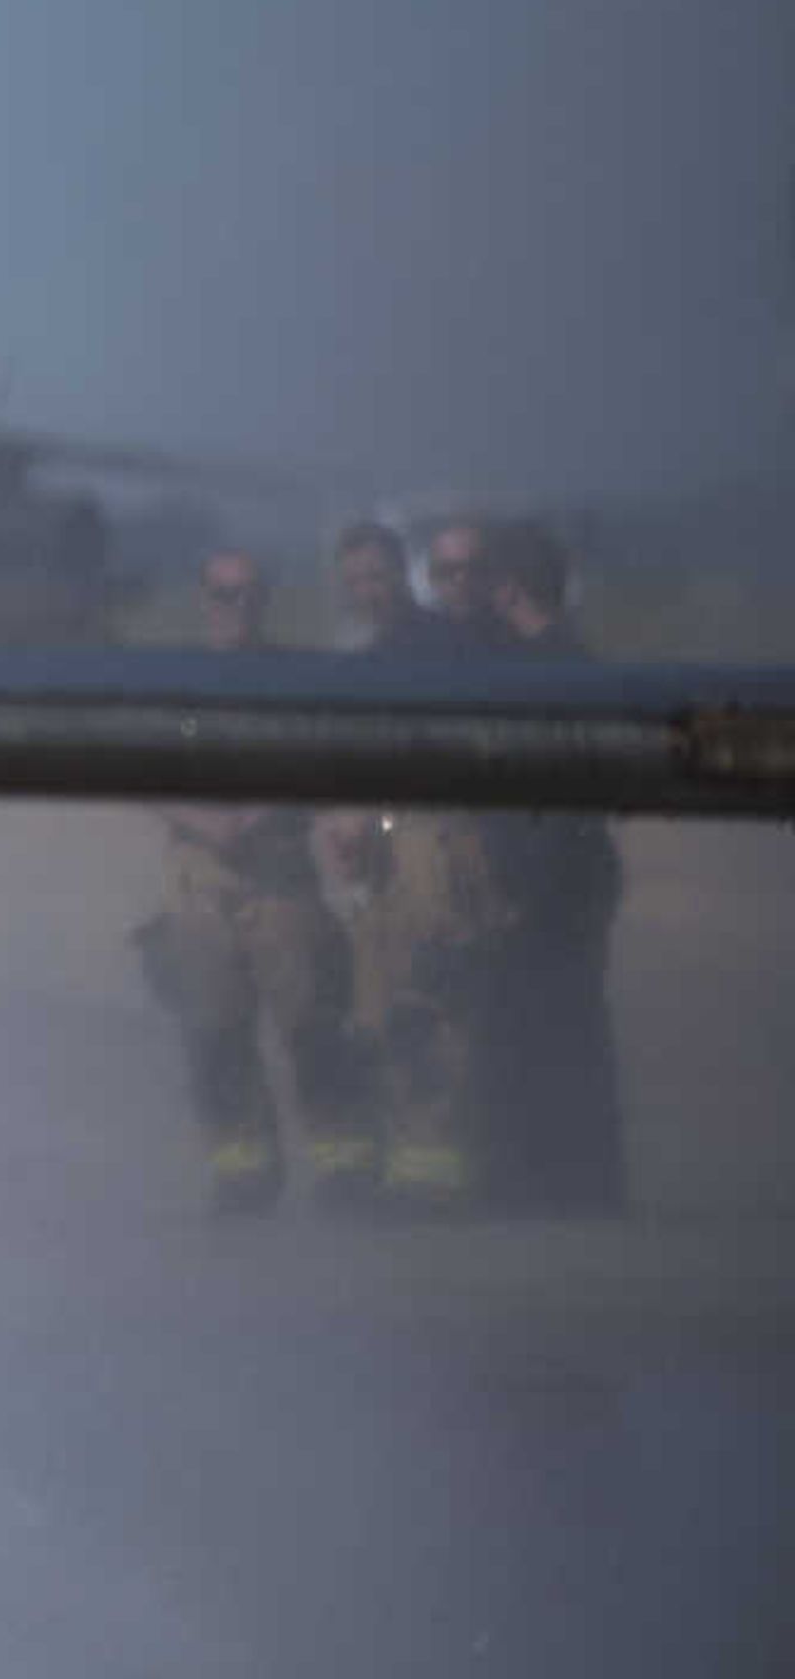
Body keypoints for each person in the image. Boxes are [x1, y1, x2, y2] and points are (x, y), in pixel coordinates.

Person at [133, 552, 381, 1213]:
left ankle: (344, 1161)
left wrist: (262, 810)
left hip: (280, 869)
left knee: (312, 1021)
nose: (231, 607)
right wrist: (206, 820)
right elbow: (141, 765)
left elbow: (325, 756)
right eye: (219, 594)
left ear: (263, 599)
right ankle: (241, 1167)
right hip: (199, 873)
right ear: (201, 597)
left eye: (244, 595)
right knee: (213, 1029)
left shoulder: (293, 678)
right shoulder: (180, 683)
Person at [330, 512, 513, 1211]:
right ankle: (406, 1159)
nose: (369, 590)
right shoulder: (365, 662)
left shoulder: (451, 647)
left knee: (434, 1003)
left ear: (400, 573)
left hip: (440, 842)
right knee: (378, 1008)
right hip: (381, 851)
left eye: (378, 575)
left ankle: (435, 1165)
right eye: (355, 582)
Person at [470, 520, 629, 1213]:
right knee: (567, 1025)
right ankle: (580, 1178)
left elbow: (557, 798)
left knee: (546, 1026)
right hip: (570, 874)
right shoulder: (574, 662)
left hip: (549, 878)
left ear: (508, 588)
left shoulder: (545, 672)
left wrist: (519, 886)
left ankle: (557, 1178)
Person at [333, 519, 426, 652]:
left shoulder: (442, 640)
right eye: (352, 583)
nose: (364, 594)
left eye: (376, 578)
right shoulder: (347, 647)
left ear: (401, 574)